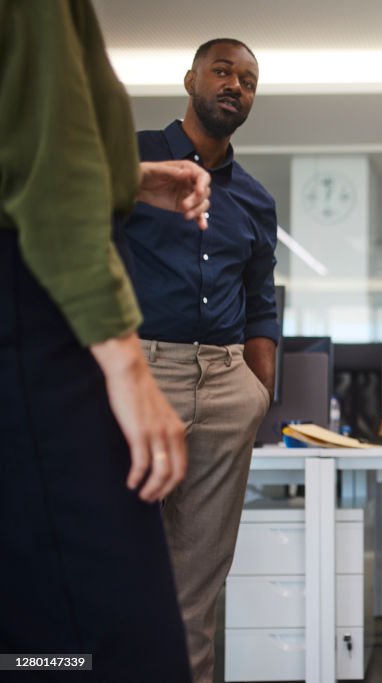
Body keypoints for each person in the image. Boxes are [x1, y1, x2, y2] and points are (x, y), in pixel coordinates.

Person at [0, 1, 212, 680]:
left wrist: (129, 178)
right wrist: (127, 363)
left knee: (39, 624)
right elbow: (50, 165)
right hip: (38, 315)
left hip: (35, 300)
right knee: (118, 636)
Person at [120, 37, 278, 683]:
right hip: (138, 376)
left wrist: (259, 395)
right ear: (190, 78)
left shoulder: (256, 199)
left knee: (199, 581)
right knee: (113, 560)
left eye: (248, 78)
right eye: (222, 70)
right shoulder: (128, 157)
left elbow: (261, 306)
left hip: (223, 385)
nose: (235, 84)